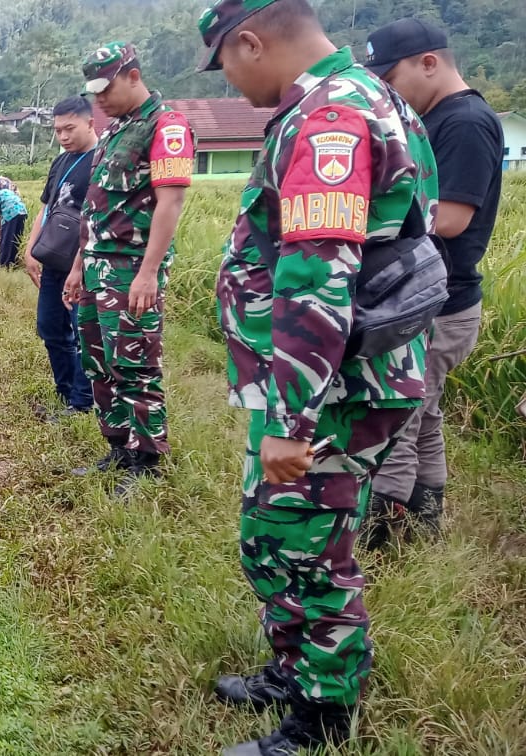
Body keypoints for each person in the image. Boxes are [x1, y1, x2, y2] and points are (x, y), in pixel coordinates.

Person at [198, 1, 438, 753]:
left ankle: (323, 716)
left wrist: (289, 420)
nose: (230, 85)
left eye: (226, 66)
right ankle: (294, 669)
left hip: (330, 388)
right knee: (272, 536)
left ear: (249, 41)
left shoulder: (332, 115)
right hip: (329, 379)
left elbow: (316, 280)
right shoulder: (367, 97)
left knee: (307, 546)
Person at [362, 18, 504, 547]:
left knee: (396, 415)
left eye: (390, 78)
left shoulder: (464, 121)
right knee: (424, 416)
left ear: (429, 63)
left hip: (438, 304)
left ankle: (382, 540)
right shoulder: (437, 118)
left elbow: (451, 218)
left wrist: (371, 220)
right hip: (437, 299)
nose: (387, 92)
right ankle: (424, 526)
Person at [63, 42, 195, 490]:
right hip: (97, 266)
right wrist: (79, 265)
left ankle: (148, 462)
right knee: (98, 362)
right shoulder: (117, 132)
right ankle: (119, 447)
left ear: (134, 76)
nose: (98, 99)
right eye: (93, 91)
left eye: (107, 87)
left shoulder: (167, 126)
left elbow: (170, 203)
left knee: (135, 364)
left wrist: (149, 273)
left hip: (131, 268)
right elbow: (94, 210)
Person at [24, 96, 98, 418]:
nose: (63, 136)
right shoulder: (61, 162)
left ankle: (83, 402)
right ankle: (65, 390)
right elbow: (46, 207)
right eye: (58, 130)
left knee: (81, 331)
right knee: (50, 327)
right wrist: (30, 248)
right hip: (53, 260)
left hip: (82, 264)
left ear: (90, 123)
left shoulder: (100, 161)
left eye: (70, 128)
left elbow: (96, 218)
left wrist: (79, 267)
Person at [0, 177, 28, 268]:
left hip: (10, 214)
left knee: (6, 240)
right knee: (15, 239)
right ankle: (14, 262)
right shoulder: (5, 190)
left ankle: (4, 265)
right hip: (22, 211)